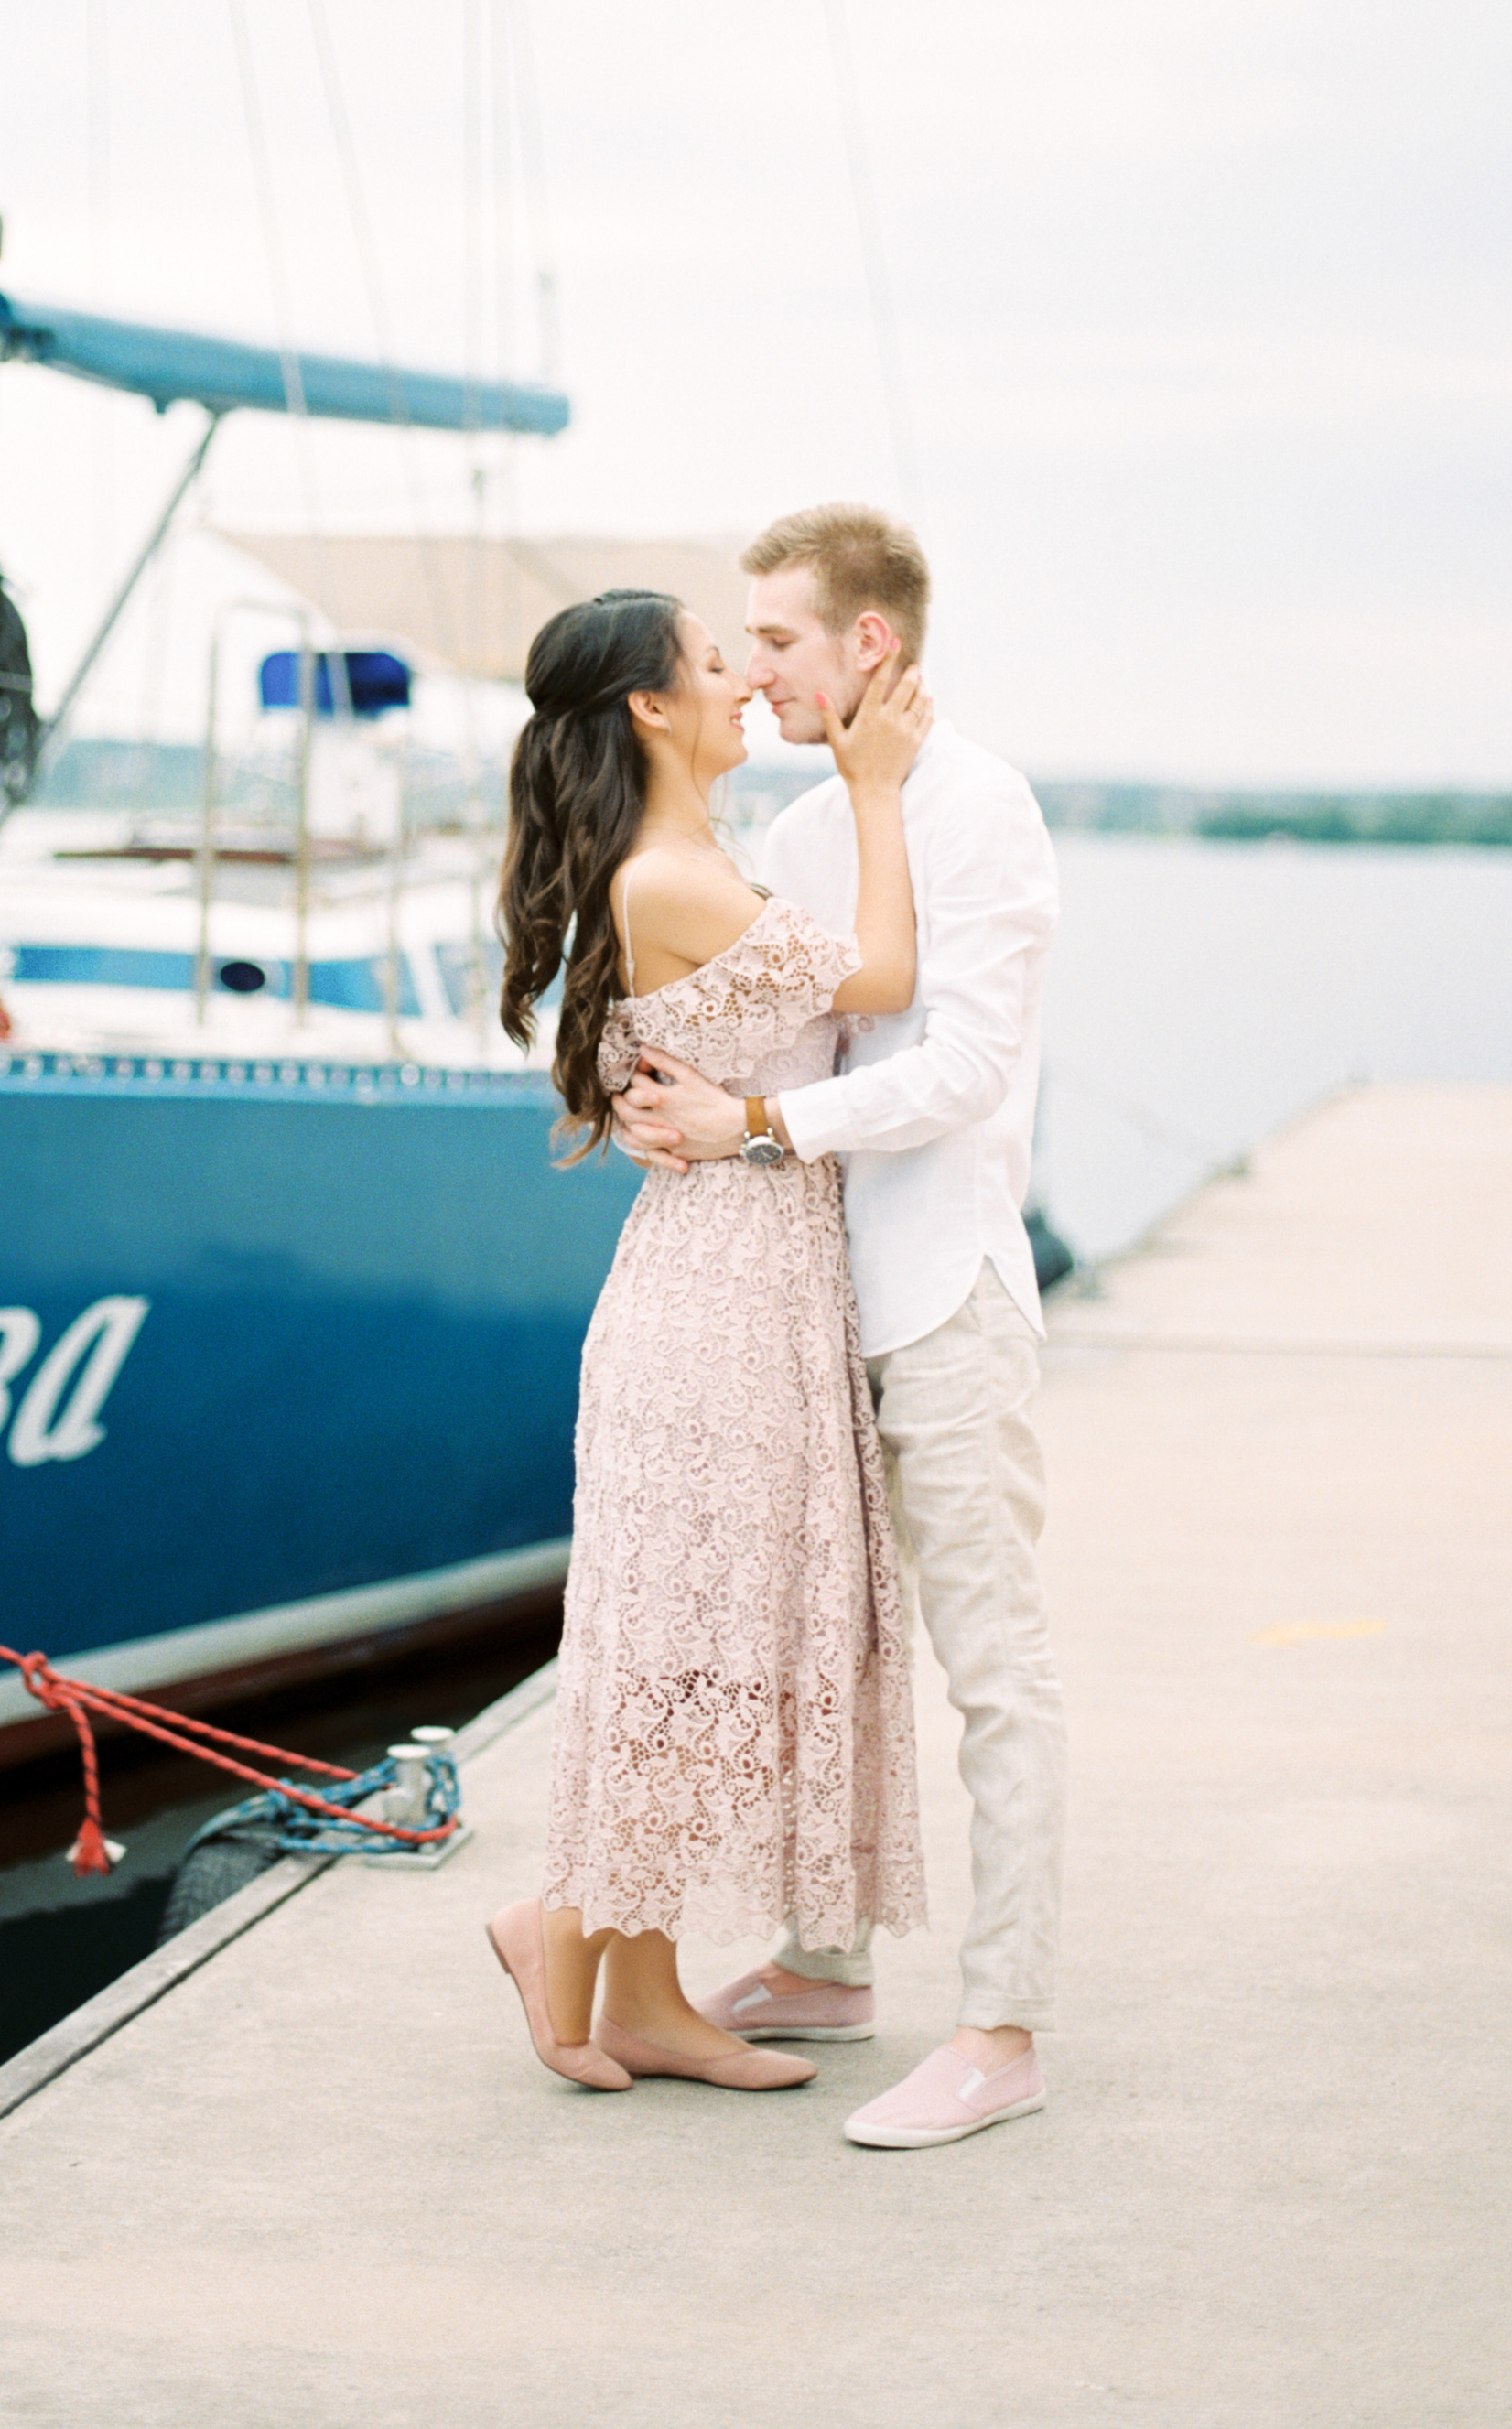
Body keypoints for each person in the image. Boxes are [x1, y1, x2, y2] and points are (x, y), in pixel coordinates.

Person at [615, 504, 1064, 2152]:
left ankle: (1002, 2026)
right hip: (798, 1314)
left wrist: (745, 1127)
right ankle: (824, 1964)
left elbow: (962, 1071)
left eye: (780, 639)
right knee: (837, 1660)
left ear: (869, 643)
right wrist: (658, 1092)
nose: (752, 665)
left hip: (941, 1298)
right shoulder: (811, 824)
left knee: (995, 1675)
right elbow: (772, 1026)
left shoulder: (986, 810)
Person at [485, 587, 933, 2094]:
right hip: (720, 1297)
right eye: (711, 660)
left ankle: (607, 1957)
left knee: (699, 1639)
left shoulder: (690, 857)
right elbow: (878, 980)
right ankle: (587, 1939)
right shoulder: (670, 871)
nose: (745, 677)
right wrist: (871, 790)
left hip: (740, 1273)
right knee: (696, 1643)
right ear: (651, 711)